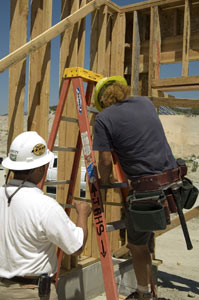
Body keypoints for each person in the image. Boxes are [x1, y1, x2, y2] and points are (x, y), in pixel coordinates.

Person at [93, 76, 180, 300]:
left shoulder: (103, 118)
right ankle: (147, 289)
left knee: (136, 244)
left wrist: (104, 181)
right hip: (172, 183)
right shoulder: (145, 103)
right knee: (144, 239)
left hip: (147, 190)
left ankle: (143, 295)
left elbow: (104, 161)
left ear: (103, 100)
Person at [0, 131, 91, 300]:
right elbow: (76, 247)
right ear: (39, 168)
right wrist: (83, 215)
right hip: (30, 293)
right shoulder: (45, 206)